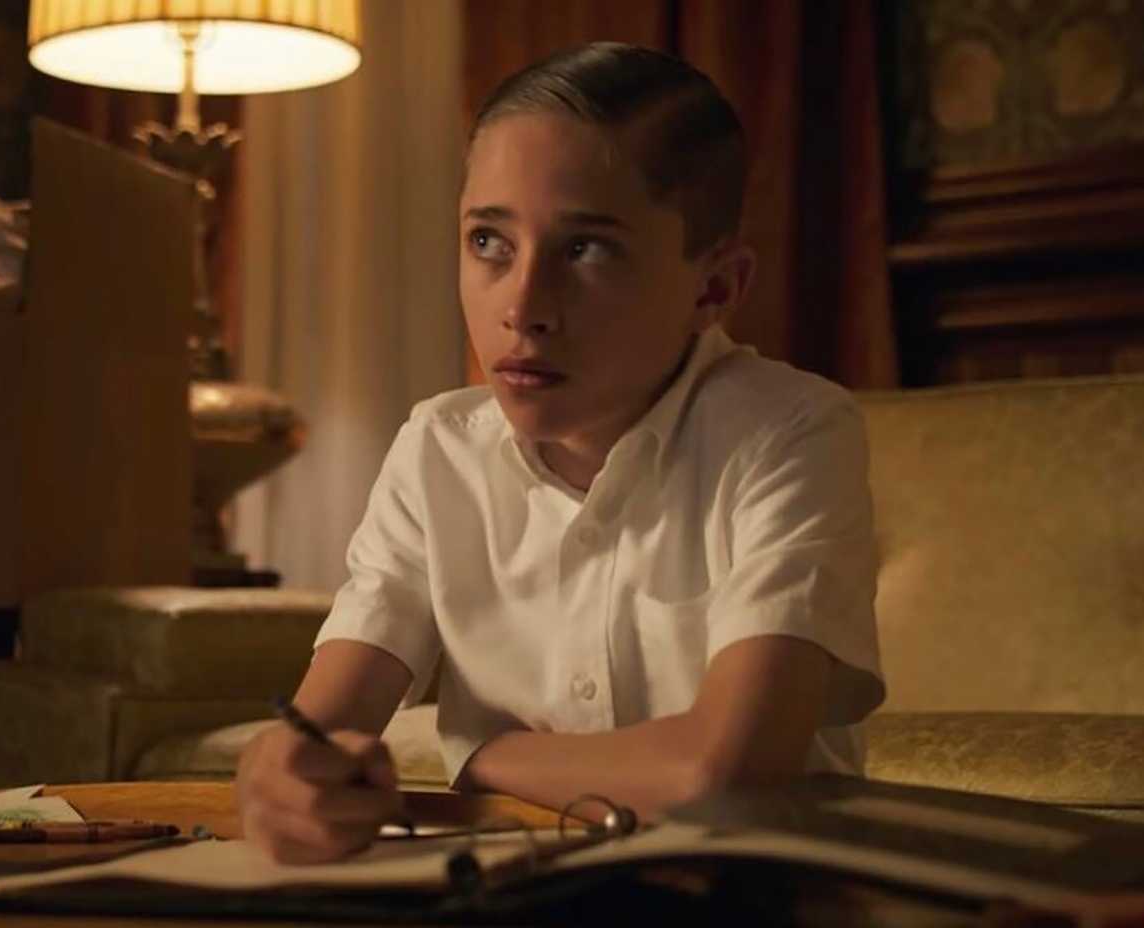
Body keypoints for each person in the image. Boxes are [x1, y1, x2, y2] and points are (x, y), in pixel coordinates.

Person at [234, 42, 885, 864]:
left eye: (587, 250)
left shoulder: (790, 431)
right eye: (488, 243)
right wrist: (282, 773)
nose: (523, 307)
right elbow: (320, 727)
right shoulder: (437, 451)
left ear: (714, 289)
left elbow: (725, 769)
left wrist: (479, 754)